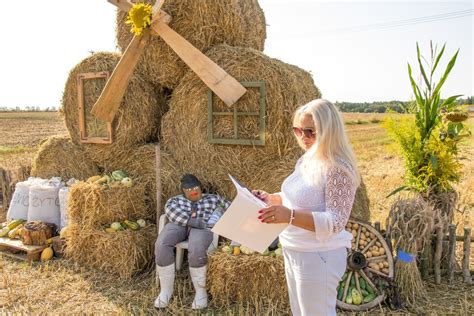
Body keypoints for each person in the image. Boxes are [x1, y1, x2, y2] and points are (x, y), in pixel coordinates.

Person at [253, 99, 360, 316]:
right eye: (298, 130)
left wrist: (289, 216)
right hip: (295, 249)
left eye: (310, 131)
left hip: (319, 256)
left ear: (328, 130)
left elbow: (336, 221)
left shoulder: (338, 167)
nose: (303, 137)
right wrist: (273, 199)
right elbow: (300, 197)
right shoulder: (307, 160)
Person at [154, 173, 230, 309]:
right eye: (188, 190)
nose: (193, 192)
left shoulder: (214, 199)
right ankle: (166, 290)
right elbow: (170, 212)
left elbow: (230, 208)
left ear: (201, 187)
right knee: (162, 243)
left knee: (196, 247)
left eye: (196, 188)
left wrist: (215, 218)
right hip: (179, 224)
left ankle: (200, 292)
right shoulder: (175, 200)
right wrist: (190, 221)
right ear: (182, 191)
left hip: (203, 226)